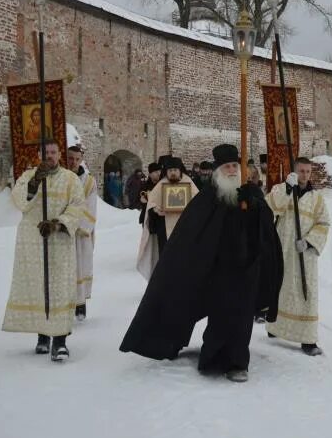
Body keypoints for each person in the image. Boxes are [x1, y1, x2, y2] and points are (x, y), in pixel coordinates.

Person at [120, 143, 284, 383]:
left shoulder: (252, 193)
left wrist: (256, 207)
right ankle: (215, 357)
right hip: (219, 268)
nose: (231, 170)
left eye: (234, 166)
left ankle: (237, 362)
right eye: (226, 166)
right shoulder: (208, 197)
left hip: (247, 266)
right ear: (218, 171)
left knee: (241, 317)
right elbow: (193, 232)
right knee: (221, 313)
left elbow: (266, 228)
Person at [2, 140, 88, 362]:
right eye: (45, 152)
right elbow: (19, 202)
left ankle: (59, 342)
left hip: (59, 240)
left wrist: (58, 224)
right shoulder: (30, 176)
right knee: (40, 287)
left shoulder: (70, 179)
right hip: (34, 241)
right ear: (39, 154)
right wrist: (34, 185)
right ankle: (42, 336)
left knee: (59, 288)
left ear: (59, 154)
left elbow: (77, 205)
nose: (49, 156)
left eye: (53, 152)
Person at [266, 157, 331, 356]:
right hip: (283, 249)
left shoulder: (316, 198)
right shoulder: (282, 189)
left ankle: (308, 339)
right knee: (280, 288)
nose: (305, 175)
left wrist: (310, 241)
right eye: (301, 171)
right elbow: (269, 207)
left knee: (306, 293)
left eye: (308, 171)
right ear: (294, 171)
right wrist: (287, 188)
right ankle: (275, 326)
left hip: (304, 253)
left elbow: (324, 223)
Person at [136, 156, 199, 278]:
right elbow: (151, 204)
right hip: (164, 229)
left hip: (185, 228)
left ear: (180, 170)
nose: (173, 173)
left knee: (184, 257)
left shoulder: (189, 183)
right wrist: (156, 210)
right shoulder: (162, 184)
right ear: (166, 172)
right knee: (165, 257)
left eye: (175, 170)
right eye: (170, 171)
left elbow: (198, 203)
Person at [66, 145, 98, 321]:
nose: (74, 162)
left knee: (81, 266)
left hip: (81, 232)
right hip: (63, 231)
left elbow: (90, 205)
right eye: (71, 158)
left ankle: (81, 304)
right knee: (66, 267)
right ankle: (65, 303)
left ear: (81, 159)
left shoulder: (89, 182)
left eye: (77, 159)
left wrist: (77, 224)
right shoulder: (60, 177)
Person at [138, 162, 162, 226]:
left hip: (161, 218)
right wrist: (142, 200)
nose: (158, 173)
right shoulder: (144, 186)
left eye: (159, 171)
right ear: (150, 174)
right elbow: (139, 198)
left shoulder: (164, 185)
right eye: (156, 172)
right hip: (148, 217)